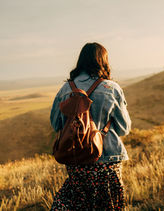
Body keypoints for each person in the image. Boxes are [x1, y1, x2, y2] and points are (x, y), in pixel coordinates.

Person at [50, 42, 132, 210]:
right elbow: (124, 129)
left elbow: (55, 124)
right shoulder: (112, 88)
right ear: (103, 61)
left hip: (76, 158)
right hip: (108, 160)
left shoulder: (66, 88)